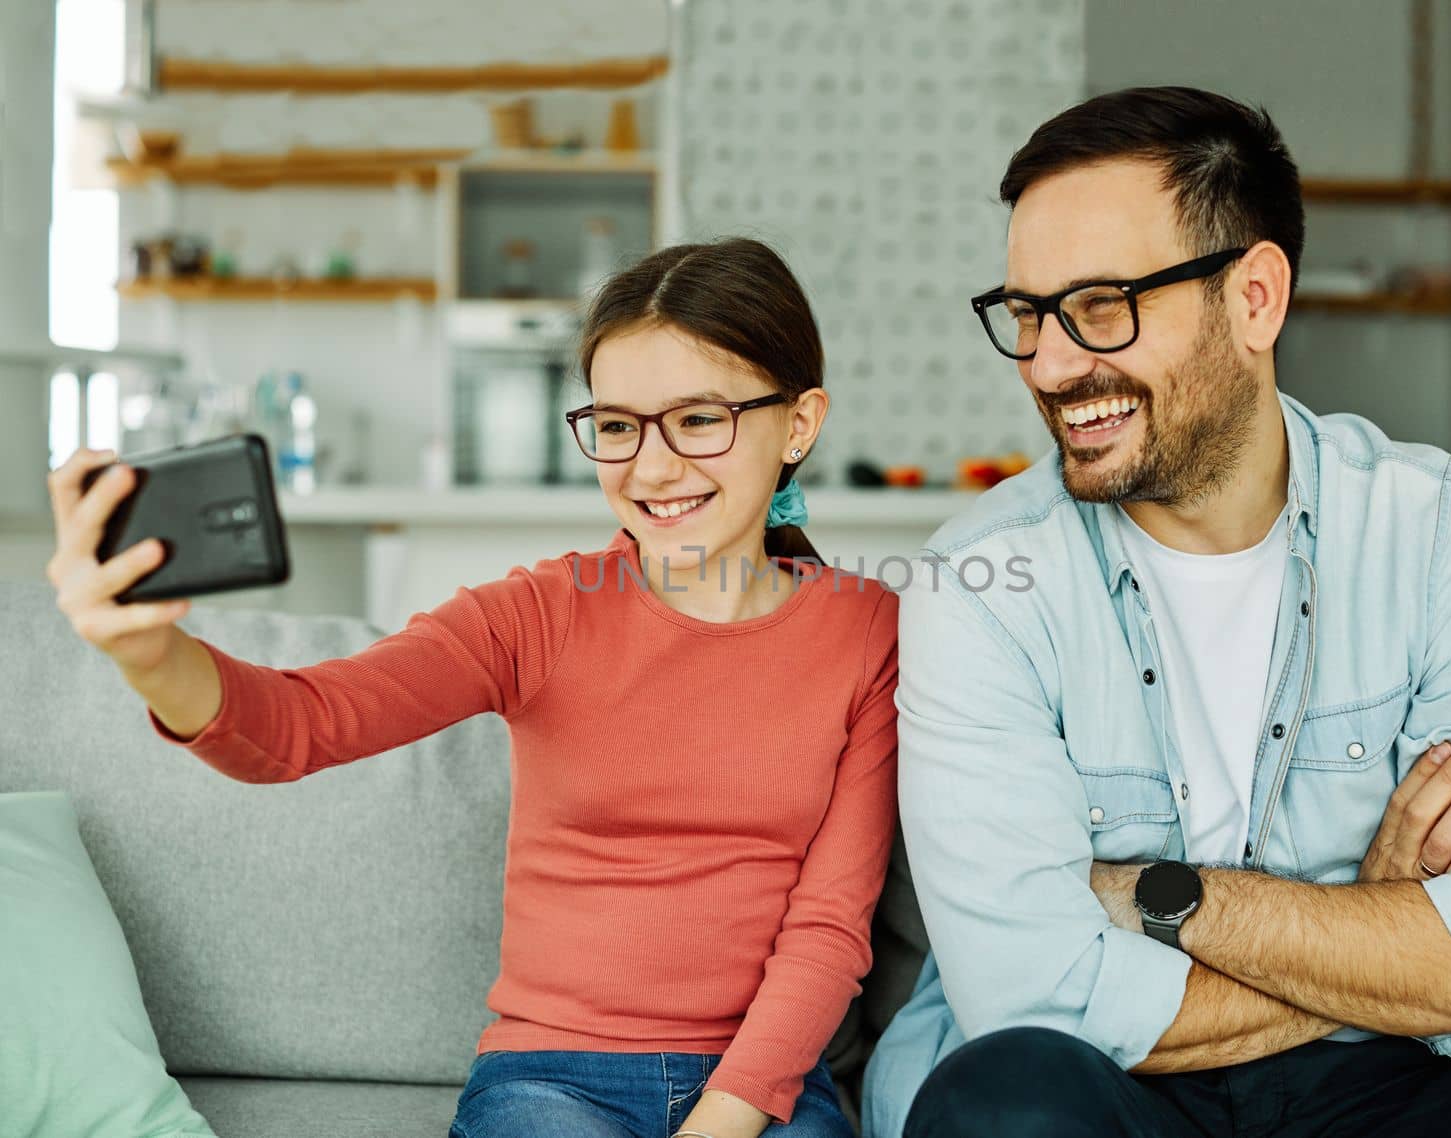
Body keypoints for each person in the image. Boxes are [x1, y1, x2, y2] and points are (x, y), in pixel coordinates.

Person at [46, 237, 898, 1138]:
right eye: (617, 425)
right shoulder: (537, 615)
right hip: (552, 1084)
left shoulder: (865, 630)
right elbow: (302, 725)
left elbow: (829, 927)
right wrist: (150, 655)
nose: (650, 469)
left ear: (799, 424)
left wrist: (723, 1117)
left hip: (762, 1090)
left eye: (697, 420)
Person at [862, 87, 1451, 1138]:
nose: (1051, 364)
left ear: (1254, 298)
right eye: (1025, 314)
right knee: (1003, 1107)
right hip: (1098, 1094)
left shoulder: (1437, 534)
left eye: (1101, 304)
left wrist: (1161, 896)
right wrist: (1370, 924)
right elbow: (1036, 995)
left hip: (1386, 1086)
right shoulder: (979, 583)